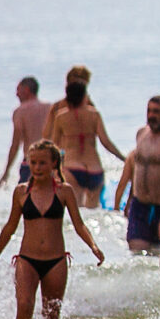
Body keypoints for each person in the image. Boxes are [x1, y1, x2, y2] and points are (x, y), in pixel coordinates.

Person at [0, 142, 104, 319]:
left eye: (42, 163)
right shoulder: (21, 192)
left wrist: (93, 246)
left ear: (54, 163)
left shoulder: (65, 191)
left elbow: (79, 224)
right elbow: (10, 227)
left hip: (56, 262)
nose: (37, 167)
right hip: (27, 260)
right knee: (24, 312)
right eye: (33, 162)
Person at [45, 65, 125, 210]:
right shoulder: (93, 112)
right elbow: (105, 141)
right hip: (95, 168)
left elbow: (51, 142)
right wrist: (124, 159)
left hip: (71, 166)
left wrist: (50, 168)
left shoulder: (59, 113)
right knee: (93, 212)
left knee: (74, 211)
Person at [116, 95, 160, 255]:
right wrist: (129, 200)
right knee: (137, 256)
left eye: (156, 111)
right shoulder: (141, 134)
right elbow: (137, 169)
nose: (151, 115)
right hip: (140, 206)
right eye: (149, 111)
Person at [0, 76, 50, 185]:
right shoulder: (50, 108)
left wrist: (6, 171)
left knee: (26, 200)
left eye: (18, 90)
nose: (16, 94)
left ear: (26, 90)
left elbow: (15, 144)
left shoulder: (20, 112)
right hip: (49, 162)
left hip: (31, 162)